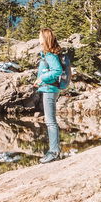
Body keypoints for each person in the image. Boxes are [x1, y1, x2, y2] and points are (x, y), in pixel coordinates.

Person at [35, 28, 67, 164]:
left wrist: (42, 78)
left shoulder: (49, 54)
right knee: (50, 121)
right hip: (50, 88)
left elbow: (57, 70)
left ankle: (54, 152)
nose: (38, 38)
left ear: (45, 38)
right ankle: (54, 150)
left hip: (49, 89)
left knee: (50, 121)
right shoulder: (50, 53)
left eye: (40, 36)